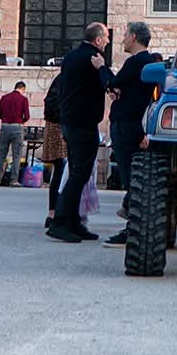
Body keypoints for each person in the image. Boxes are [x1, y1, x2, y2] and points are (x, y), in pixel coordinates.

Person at [48, 23, 114, 243]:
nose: (108, 42)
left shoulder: (71, 57)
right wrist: (103, 69)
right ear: (98, 40)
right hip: (83, 123)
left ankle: (73, 222)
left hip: (70, 121)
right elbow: (110, 84)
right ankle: (59, 222)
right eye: (106, 38)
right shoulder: (94, 59)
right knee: (79, 174)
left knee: (78, 172)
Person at [104, 21, 164, 246]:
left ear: (134, 37)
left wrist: (101, 67)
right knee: (132, 176)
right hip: (134, 123)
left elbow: (113, 82)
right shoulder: (147, 63)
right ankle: (130, 216)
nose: (122, 39)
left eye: (125, 35)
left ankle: (132, 225)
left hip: (126, 124)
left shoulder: (136, 61)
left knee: (131, 177)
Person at [0, 80, 31, 186]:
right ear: (23, 89)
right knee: (16, 155)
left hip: (5, 127)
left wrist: (6, 119)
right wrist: (20, 121)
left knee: (1, 154)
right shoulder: (23, 99)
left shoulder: (4, 98)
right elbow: (27, 116)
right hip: (17, 127)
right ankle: (14, 180)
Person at [42, 75, 68, 226]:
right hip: (61, 126)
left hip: (56, 125)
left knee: (59, 171)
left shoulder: (60, 80)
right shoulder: (67, 80)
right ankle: (58, 213)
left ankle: (53, 212)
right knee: (62, 170)